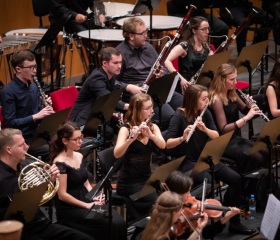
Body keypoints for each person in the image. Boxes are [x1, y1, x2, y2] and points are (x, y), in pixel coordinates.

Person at [165, 84, 255, 235]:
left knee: (235, 178)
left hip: (205, 158)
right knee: (207, 180)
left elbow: (216, 135)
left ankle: (230, 219)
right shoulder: (178, 116)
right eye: (204, 99)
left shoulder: (204, 113)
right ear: (193, 100)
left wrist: (205, 129)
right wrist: (182, 138)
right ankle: (201, 225)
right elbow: (167, 144)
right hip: (187, 161)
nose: (207, 101)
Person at [0, 128, 94, 240]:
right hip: (17, 232)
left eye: (25, 142)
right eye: (21, 145)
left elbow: (44, 200)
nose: (27, 147)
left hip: (39, 223)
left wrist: (50, 182)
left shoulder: (26, 165)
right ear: (9, 150)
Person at [49, 121, 127, 240]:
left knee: (117, 219)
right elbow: (62, 195)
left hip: (85, 199)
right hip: (70, 208)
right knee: (109, 223)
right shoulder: (59, 163)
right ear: (65, 141)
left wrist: (94, 195)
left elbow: (85, 181)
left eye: (81, 137)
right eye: (76, 139)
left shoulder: (79, 156)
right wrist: (87, 205)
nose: (80, 142)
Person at [115, 17, 183, 130]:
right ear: (131, 36)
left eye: (146, 31)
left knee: (187, 105)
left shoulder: (148, 47)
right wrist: (128, 87)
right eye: (142, 33)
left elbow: (163, 67)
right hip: (140, 95)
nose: (146, 36)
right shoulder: (120, 54)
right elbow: (113, 82)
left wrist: (161, 73)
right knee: (170, 116)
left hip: (157, 88)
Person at [114, 92, 166, 221]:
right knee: (157, 205)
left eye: (151, 107)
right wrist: (130, 140)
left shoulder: (152, 127)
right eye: (147, 108)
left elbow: (163, 145)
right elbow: (116, 153)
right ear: (137, 110)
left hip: (146, 177)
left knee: (168, 198)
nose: (151, 111)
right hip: (129, 183)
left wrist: (151, 135)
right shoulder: (125, 129)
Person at [208, 63, 268, 173]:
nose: (235, 82)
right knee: (256, 157)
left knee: (265, 151)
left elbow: (244, 110)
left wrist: (249, 106)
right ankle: (247, 186)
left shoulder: (231, 92)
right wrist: (245, 119)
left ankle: (262, 187)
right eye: (232, 79)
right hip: (223, 143)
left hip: (234, 138)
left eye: (236, 78)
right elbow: (224, 129)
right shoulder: (216, 99)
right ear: (222, 80)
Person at [0, 50, 55, 160]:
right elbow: (10, 122)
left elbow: (38, 113)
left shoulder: (33, 86)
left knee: (63, 141)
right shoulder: (8, 92)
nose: (34, 71)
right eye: (30, 68)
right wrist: (36, 116)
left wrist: (44, 107)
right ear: (18, 69)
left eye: (35, 67)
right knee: (54, 150)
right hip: (22, 139)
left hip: (38, 134)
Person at [165, 171, 242, 239]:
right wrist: (198, 228)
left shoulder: (186, 210)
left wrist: (225, 219)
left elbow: (205, 234)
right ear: (176, 193)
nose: (190, 195)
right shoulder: (168, 220)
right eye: (187, 191)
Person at [70, 47, 126, 136]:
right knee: (109, 132)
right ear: (104, 63)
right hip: (82, 122)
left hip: (95, 116)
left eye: (120, 62)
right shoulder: (97, 78)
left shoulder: (110, 76)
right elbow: (108, 99)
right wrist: (128, 106)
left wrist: (114, 112)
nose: (119, 66)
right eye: (115, 63)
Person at [164, 16, 214, 94]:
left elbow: (214, 63)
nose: (207, 32)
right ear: (194, 31)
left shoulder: (206, 46)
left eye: (208, 29)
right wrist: (181, 79)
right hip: (186, 87)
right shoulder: (185, 46)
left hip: (201, 85)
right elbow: (166, 60)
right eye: (204, 29)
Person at [141, 191, 208, 240]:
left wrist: (199, 228)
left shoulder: (154, 225)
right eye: (180, 210)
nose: (182, 212)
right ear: (173, 213)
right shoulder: (163, 237)